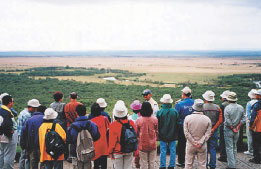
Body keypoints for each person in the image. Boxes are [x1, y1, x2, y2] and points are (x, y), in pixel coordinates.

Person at [67, 104, 100, 169]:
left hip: (75, 153)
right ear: (86, 112)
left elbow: (69, 140)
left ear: (76, 113)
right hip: (88, 152)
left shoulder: (72, 127)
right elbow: (97, 136)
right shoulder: (92, 124)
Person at [184, 99, 212, 169]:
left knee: (188, 164)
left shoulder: (187, 118)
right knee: (202, 164)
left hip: (190, 144)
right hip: (202, 145)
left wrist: (193, 142)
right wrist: (200, 142)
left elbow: (186, 133)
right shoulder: (207, 119)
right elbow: (208, 133)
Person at [109, 100, 136, 169]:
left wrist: (110, 152)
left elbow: (112, 142)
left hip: (118, 151)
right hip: (129, 149)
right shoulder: (131, 123)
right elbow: (135, 137)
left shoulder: (113, 125)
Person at [156, 94, 178, 169]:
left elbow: (157, 124)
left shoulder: (159, 112)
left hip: (162, 134)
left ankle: (162, 166)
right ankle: (172, 165)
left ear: (163, 102)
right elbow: (178, 123)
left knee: (163, 151)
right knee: (173, 151)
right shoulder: (175, 111)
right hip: (173, 134)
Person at [224, 92, 245, 169]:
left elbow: (227, 120)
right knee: (234, 146)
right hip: (237, 129)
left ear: (228, 100)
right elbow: (243, 119)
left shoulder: (227, 108)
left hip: (228, 129)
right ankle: (233, 162)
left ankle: (231, 165)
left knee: (229, 147)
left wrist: (232, 127)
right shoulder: (241, 107)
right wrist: (238, 127)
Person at [18, 99, 41, 169]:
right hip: (25, 137)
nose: (37, 110)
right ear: (31, 107)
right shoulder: (28, 115)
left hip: (21, 136)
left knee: (23, 156)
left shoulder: (22, 112)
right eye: (36, 108)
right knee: (27, 157)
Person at [202, 91, 223, 169]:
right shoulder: (218, 107)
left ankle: (205, 164)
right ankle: (212, 165)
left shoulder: (202, 107)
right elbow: (220, 120)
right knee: (213, 148)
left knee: (205, 148)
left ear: (205, 98)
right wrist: (213, 129)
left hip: (204, 130)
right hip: (214, 130)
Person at [175, 86, 194, 167]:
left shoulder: (179, 104)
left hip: (182, 126)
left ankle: (181, 161)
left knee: (181, 144)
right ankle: (190, 161)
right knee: (191, 143)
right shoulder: (195, 102)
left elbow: (176, 115)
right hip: (193, 126)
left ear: (183, 94)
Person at [136, 102, 158, 169]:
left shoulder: (139, 120)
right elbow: (156, 131)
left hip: (142, 144)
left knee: (143, 162)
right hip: (153, 144)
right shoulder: (155, 119)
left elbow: (136, 133)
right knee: (152, 162)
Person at [89, 103, 109, 169]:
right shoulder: (105, 119)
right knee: (104, 165)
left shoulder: (91, 122)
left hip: (95, 146)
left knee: (96, 165)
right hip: (104, 145)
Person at [0, 95, 18, 169]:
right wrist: (10, 133)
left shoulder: (1, 109)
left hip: (1, 136)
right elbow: (7, 124)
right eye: (13, 101)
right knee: (9, 155)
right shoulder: (7, 112)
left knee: (2, 153)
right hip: (7, 136)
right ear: (10, 103)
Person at [244, 89, 257, 156]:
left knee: (250, 136)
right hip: (258, 121)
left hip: (250, 121)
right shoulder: (258, 102)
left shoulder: (249, 103)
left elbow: (248, 114)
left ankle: (250, 150)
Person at [249, 89, 261, 164]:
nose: (255, 95)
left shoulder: (256, 105)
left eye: (256, 94)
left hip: (258, 128)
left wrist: (251, 126)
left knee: (256, 144)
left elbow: (254, 117)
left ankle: (257, 159)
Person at [218, 90, 230, 162]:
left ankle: (223, 156)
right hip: (233, 125)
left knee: (223, 141)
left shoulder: (222, 105)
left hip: (224, 125)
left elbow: (221, 117)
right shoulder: (233, 104)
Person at [130, 100, 142, 168]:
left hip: (137, 134)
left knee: (137, 149)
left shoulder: (135, 116)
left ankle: (137, 162)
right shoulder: (141, 114)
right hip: (140, 134)